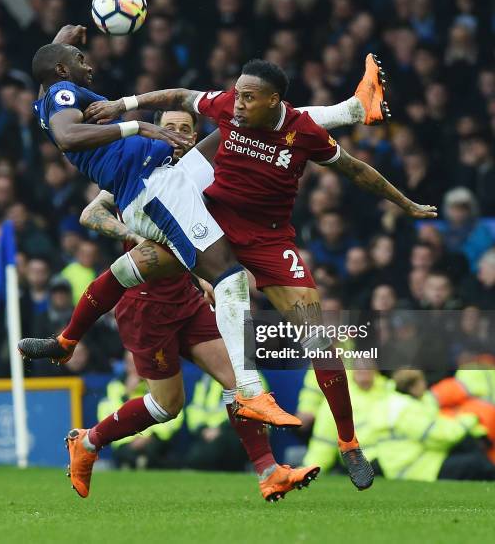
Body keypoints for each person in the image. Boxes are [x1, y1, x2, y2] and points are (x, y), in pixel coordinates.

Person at [78, 53, 437, 490]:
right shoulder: (174, 151)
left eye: (250, 98)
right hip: (212, 233)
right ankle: (67, 342)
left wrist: (407, 204)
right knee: (140, 266)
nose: (240, 103)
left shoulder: (301, 133)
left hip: (268, 242)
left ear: (273, 101)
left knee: (319, 340)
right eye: (238, 95)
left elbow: (355, 170)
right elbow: (176, 99)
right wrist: (124, 105)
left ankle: (346, 443)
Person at [18, 25, 300, 431]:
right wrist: (139, 126)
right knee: (229, 276)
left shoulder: (55, 87)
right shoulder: (66, 97)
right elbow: (67, 136)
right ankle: (252, 395)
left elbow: (52, 65)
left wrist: (66, 38)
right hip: (150, 191)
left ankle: (65, 342)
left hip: (163, 189)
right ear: (62, 70)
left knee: (238, 131)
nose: (89, 63)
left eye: (186, 128)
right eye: (81, 60)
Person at [66, 108, 319, 500]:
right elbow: (91, 212)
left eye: (185, 129)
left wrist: (207, 277)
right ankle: (89, 441)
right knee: (168, 407)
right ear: (156, 131)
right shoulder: (137, 168)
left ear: (194, 135)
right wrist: (132, 232)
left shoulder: (202, 177)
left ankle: (269, 472)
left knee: (239, 381)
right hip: (146, 306)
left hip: (187, 297)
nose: (177, 134)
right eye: (169, 128)